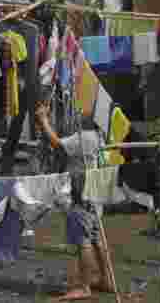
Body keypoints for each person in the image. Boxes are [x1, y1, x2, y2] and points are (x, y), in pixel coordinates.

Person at [35, 102, 117, 301]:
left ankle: (84, 286)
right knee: (97, 238)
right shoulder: (99, 136)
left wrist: (44, 120)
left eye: (86, 111)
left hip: (83, 194)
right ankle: (107, 280)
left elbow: (57, 144)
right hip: (96, 195)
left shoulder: (85, 137)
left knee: (83, 241)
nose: (81, 112)